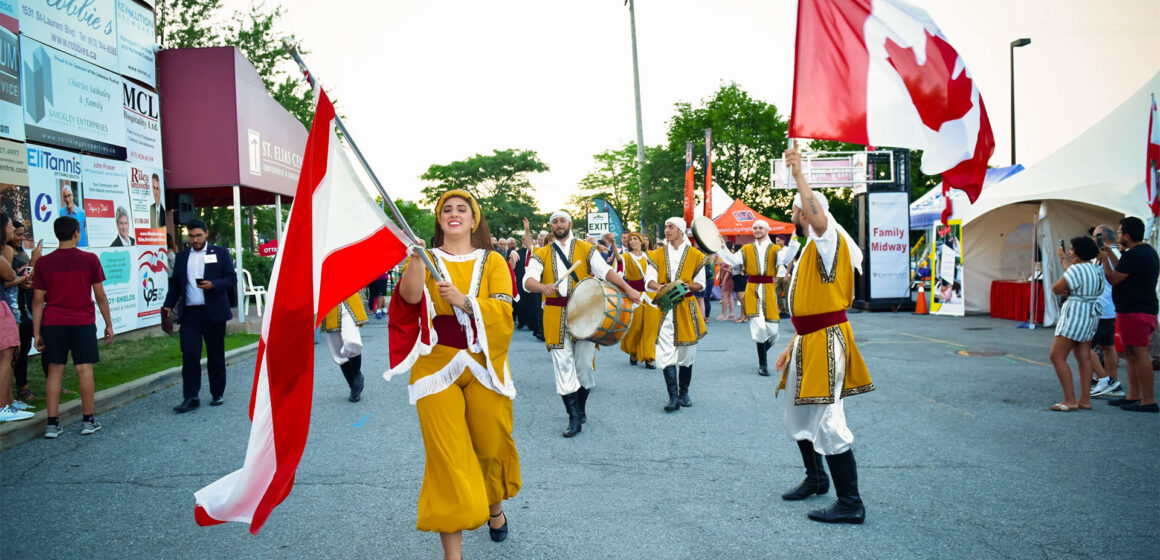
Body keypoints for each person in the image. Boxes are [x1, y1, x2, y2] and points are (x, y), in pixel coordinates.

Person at [385, 189, 520, 560]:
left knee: (490, 448)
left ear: (474, 220)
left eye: (463, 209)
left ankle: (494, 507)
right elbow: (410, 300)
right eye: (447, 209)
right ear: (439, 219)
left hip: (484, 364)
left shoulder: (493, 261)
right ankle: (453, 555)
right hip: (435, 367)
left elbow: (505, 312)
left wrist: (465, 301)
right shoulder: (426, 258)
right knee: (447, 458)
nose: (454, 214)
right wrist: (415, 259)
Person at [773, 142, 873, 524]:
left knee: (829, 420)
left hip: (827, 340)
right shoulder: (809, 247)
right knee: (799, 414)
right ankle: (816, 479)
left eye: (801, 206)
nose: (797, 211)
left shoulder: (826, 238)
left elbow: (817, 218)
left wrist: (799, 175)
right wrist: (793, 340)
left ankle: (850, 503)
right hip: (808, 338)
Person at [523, 211, 641, 437]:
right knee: (563, 365)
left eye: (562, 220)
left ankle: (581, 406)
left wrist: (627, 288)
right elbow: (528, 281)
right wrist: (542, 287)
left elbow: (606, 272)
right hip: (555, 313)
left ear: (570, 223)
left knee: (585, 367)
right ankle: (573, 417)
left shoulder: (586, 249)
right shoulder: (541, 253)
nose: (559, 224)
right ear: (551, 227)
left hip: (585, 313)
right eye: (554, 221)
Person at [31, 216, 114, 435]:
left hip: (53, 323)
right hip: (82, 322)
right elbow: (100, 296)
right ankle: (88, 421)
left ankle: (52, 424)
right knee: (84, 369)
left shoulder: (43, 263)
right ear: (77, 233)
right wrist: (109, 324)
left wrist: (36, 332)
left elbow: (38, 300)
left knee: (54, 370)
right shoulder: (90, 259)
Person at [162, 219, 238, 413]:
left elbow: (231, 278)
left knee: (215, 355)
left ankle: (217, 393)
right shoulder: (182, 256)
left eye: (198, 235)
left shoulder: (219, 253)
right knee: (190, 355)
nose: (195, 240)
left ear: (206, 233)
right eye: (191, 236)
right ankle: (191, 396)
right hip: (191, 314)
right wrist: (168, 305)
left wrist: (214, 285)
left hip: (213, 312)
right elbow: (177, 285)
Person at [644, 217, 709, 412]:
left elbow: (701, 284)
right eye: (665, 227)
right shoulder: (656, 254)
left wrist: (685, 286)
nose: (667, 230)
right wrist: (661, 286)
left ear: (680, 230)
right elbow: (649, 281)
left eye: (671, 227)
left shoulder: (696, 255)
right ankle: (673, 397)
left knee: (686, 352)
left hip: (686, 306)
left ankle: (684, 392)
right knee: (665, 352)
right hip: (665, 306)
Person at [717, 220, 798, 376]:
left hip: (768, 289)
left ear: (766, 230)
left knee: (774, 333)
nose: (757, 230)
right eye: (755, 228)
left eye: (760, 228)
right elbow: (733, 260)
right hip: (752, 288)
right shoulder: (746, 249)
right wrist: (721, 247)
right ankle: (763, 364)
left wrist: (794, 240)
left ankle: (762, 353)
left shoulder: (775, 249)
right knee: (759, 327)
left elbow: (787, 257)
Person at [1098, 216, 1159, 412]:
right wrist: (1110, 254)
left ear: (1127, 235)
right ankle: (1134, 395)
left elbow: (1114, 278)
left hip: (1135, 311)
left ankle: (1148, 400)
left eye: (1119, 232)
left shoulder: (1136, 255)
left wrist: (1103, 261)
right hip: (1136, 310)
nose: (1117, 235)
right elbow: (1124, 265)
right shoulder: (1143, 252)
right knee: (1132, 353)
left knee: (1139, 354)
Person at [1048, 237, 1103, 411]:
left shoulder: (1076, 269)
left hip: (1075, 314)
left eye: (1072, 249)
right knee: (1083, 356)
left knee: (1057, 356)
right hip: (1091, 313)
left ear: (1078, 253)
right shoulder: (1096, 269)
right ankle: (1085, 399)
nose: (1070, 252)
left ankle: (1069, 400)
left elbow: (1056, 288)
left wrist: (1066, 288)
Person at [0, 215, 33, 422]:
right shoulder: (5, 252)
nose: (13, 229)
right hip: (3, 307)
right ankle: (3, 406)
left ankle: (9, 402)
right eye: (11, 226)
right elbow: (10, 276)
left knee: (7, 356)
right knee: (7, 356)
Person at [1088, 224, 1123, 398]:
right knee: (1108, 347)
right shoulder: (1109, 253)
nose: (1094, 240)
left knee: (1087, 346)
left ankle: (1103, 380)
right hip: (1109, 308)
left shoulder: (1110, 254)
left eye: (1096, 236)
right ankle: (1112, 381)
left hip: (1102, 307)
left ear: (1105, 237)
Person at [9, 221, 42, 408]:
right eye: (17, 234)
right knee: (17, 351)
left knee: (26, 347)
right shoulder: (7, 253)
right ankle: (21, 389)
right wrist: (34, 261)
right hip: (17, 308)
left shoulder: (20, 252)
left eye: (23, 234)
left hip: (27, 306)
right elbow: (22, 280)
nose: (21, 238)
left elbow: (30, 279)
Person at [618, 232, 660, 369]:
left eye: (635, 239)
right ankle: (633, 351)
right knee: (635, 327)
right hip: (634, 295)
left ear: (641, 241)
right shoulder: (626, 257)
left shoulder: (651, 256)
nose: (633, 241)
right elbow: (618, 270)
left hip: (650, 295)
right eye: (630, 240)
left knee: (651, 327)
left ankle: (649, 357)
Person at [323, 292, 368, 402]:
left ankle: (357, 375)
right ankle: (353, 386)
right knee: (338, 350)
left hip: (349, 298)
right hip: (328, 303)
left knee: (351, 341)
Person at [512, 218, 543, 339]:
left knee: (536, 305)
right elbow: (528, 243)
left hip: (539, 281)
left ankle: (537, 327)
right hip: (525, 279)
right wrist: (526, 229)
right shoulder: (537, 250)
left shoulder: (544, 251)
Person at [58, 181, 88, 247]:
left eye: (69, 195)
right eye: (65, 197)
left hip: (81, 249)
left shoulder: (82, 213)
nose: (68, 200)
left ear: (72, 196)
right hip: (68, 250)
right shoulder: (61, 213)